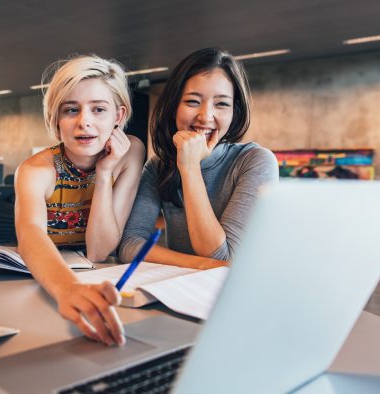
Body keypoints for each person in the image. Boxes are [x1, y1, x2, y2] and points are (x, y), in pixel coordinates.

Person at [15, 55, 145, 346]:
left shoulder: (130, 152)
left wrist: (104, 173)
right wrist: (67, 289)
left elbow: (99, 250)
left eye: (99, 109)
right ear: (55, 118)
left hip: (99, 278)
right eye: (71, 110)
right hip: (44, 282)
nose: (84, 121)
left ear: (118, 116)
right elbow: (29, 234)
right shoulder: (35, 170)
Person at [120, 47, 279, 269]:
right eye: (193, 101)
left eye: (221, 104)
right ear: (174, 107)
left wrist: (190, 167)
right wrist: (200, 265)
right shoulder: (158, 166)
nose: (206, 116)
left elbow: (221, 255)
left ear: (235, 112)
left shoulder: (255, 161)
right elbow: (130, 244)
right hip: (179, 289)